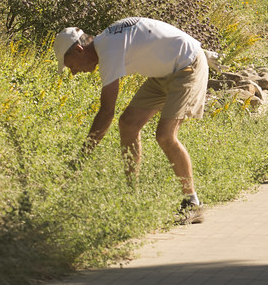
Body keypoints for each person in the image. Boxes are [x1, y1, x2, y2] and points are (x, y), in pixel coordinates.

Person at [54, 17, 209, 224]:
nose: (73, 72)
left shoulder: (108, 50)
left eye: (70, 65)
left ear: (79, 51)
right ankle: (132, 197)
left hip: (188, 65)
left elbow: (107, 111)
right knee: (128, 123)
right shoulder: (106, 44)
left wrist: (82, 158)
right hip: (163, 73)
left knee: (165, 135)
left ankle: (193, 203)